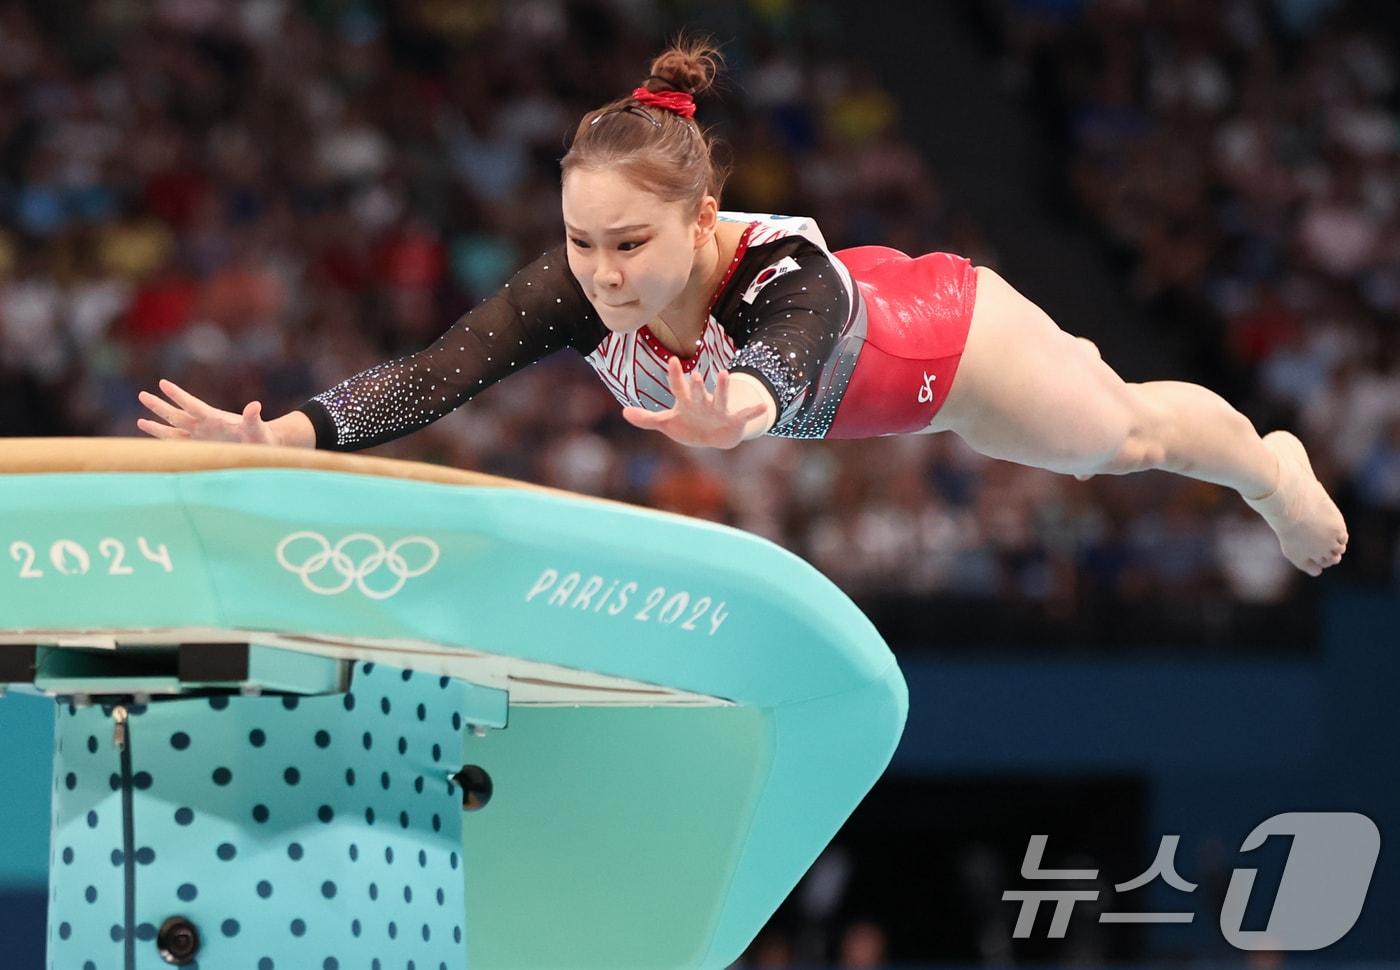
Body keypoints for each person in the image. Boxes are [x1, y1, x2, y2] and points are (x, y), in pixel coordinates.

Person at [137, 39, 1347, 577]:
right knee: (1098, 435)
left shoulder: (776, 273)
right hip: (837, 399)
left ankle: (1264, 468)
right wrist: (279, 434)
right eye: (580, 242)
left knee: (1113, 437)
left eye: (629, 243)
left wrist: (746, 409)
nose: (602, 272)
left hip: (944, 344)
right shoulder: (572, 291)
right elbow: (431, 374)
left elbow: (801, 340)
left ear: (701, 215)